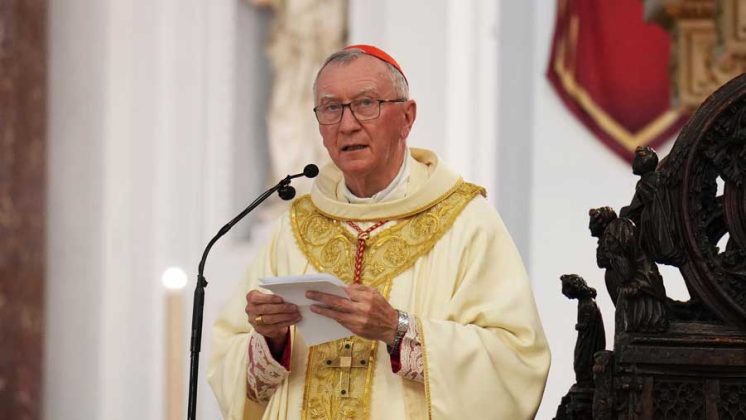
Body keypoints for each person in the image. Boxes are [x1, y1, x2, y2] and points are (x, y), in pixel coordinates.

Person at [207, 44, 550, 420]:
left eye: (366, 104)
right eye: (331, 108)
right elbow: (227, 357)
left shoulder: (466, 221)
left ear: (407, 117)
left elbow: (516, 361)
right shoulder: (295, 226)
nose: (347, 124)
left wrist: (397, 329)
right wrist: (272, 340)